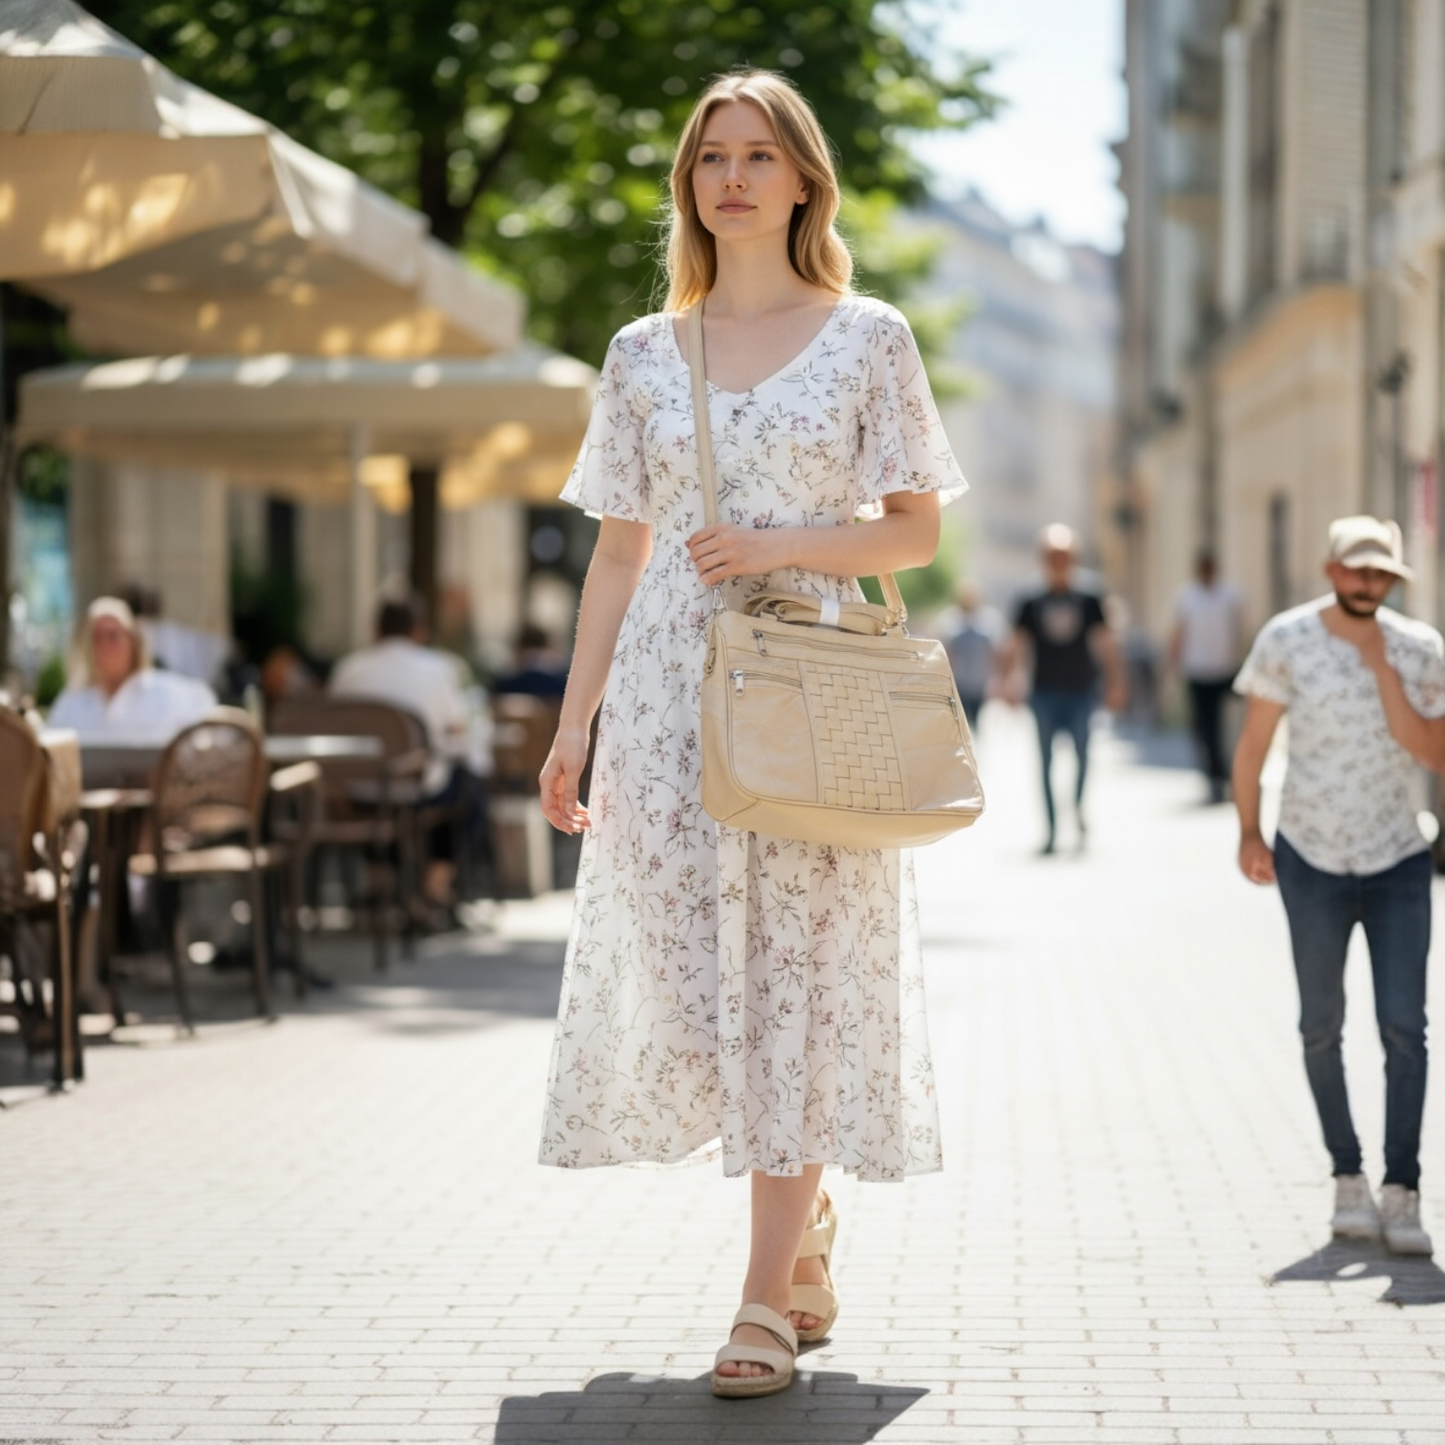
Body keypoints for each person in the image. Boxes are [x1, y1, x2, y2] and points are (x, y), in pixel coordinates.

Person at [536, 69, 965, 1399]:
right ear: (691, 184)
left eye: (756, 155)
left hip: (811, 686)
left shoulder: (869, 335)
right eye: (709, 156)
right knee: (698, 990)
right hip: (669, 701)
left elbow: (914, 530)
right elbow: (617, 554)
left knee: (796, 984)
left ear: (800, 181)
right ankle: (804, 1231)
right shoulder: (638, 352)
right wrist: (571, 727)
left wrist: (782, 539)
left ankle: (758, 1302)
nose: (731, 176)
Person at [1233, 516, 1445, 1256]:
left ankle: (1402, 1189)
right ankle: (1347, 1178)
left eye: (1378, 574)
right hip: (1309, 858)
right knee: (1319, 1025)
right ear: (1330, 569)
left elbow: (1431, 752)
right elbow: (1254, 744)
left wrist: (1382, 666)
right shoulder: (1285, 639)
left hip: (1396, 860)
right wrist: (1249, 832)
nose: (1366, 584)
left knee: (1403, 1028)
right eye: (1355, 571)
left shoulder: (1419, 649)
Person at [329, 593, 489, 910]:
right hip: (417, 786)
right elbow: (457, 729)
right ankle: (435, 884)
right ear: (419, 630)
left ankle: (381, 879)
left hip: (359, 789)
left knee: (387, 796)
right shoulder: (439, 668)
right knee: (466, 786)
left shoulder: (349, 670)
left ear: (376, 629)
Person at [997, 524, 1126, 853]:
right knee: (1045, 763)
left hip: (1082, 690)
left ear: (1075, 558)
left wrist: (1116, 680)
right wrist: (1008, 680)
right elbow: (1016, 644)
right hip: (1043, 692)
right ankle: (1052, 831)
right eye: (1052, 556)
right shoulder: (1030, 597)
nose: (1058, 562)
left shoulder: (1090, 595)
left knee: (1083, 757)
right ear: (1042, 559)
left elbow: (1106, 642)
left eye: (1064, 556)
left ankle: (1078, 809)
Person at [48, 596, 216, 741]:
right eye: (96, 638)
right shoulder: (70, 704)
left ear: (133, 642)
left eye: (113, 636)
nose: (104, 646)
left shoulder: (169, 694)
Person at [1168, 550, 1244, 802]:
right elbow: (1178, 631)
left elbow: (1240, 629)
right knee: (1205, 729)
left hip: (1226, 670)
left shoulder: (1230, 595)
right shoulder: (1187, 597)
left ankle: (1233, 774)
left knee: (1232, 727)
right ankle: (1213, 777)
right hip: (1197, 671)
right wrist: (1174, 663)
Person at [938, 582, 1004, 732]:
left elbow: (996, 652)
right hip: (958, 681)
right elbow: (944, 650)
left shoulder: (990, 621)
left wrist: (998, 680)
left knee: (978, 722)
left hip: (980, 681)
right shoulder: (949, 620)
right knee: (960, 723)